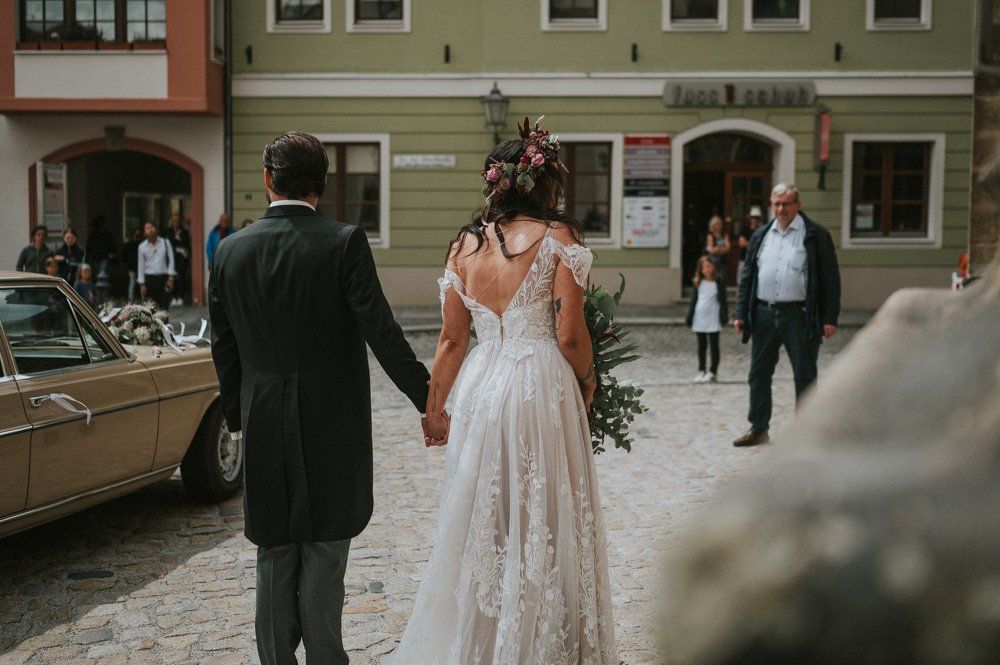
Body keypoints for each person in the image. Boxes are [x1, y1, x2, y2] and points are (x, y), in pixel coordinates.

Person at [387, 118, 619, 664]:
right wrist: (589, 382)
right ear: (544, 182)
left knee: (485, 517)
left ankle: (484, 641)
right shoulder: (559, 238)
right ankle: (541, 640)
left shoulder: (463, 246)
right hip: (538, 384)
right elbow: (570, 333)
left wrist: (434, 411)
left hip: (480, 387)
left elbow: (451, 339)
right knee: (544, 511)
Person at [209, 131, 441, 665]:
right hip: (331, 420)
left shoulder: (230, 250)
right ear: (322, 184)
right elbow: (381, 331)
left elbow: (224, 344)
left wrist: (237, 417)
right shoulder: (343, 242)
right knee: (325, 546)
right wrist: (426, 401)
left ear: (267, 180)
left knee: (273, 548)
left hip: (262, 415)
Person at [732, 183, 841, 447]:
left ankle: (806, 432)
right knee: (758, 374)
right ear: (771, 205)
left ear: (798, 205)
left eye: (787, 204)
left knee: (805, 374)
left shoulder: (815, 235)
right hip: (764, 313)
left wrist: (829, 318)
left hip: (800, 315)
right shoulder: (761, 235)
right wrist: (740, 312)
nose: (781, 209)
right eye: (777, 204)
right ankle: (758, 428)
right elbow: (748, 277)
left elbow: (830, 279)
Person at [686, 255, 728, 384]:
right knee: (701, 346)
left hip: (713, 316)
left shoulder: (718, 282)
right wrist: (690, 315)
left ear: (713, 267)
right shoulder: (698, 282)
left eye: (709, 267)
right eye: (703, 268)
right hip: (700, 316)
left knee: (714, 345)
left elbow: (723, 301)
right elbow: (694, 300)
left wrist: (724, 315)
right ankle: (701, 370)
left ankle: (713, 371)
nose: (706, 270)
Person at [137, 221, 176, 311]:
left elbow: (171, 261)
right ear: (144, 233)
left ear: (156, 229)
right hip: (149, 279)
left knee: (164, 307)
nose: (150, 230)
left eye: (152, 227)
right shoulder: (142, 247)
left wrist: (171, 278)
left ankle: (164, 320)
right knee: (150, 309)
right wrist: (142, 284)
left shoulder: (165, 243)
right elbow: (141, 266)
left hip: (163, 279)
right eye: (147, 228)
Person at [167, 214, 192, 306]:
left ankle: (180, 297)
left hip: (182, 259)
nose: (176, 222)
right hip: (172, 258)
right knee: (172, 277)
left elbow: (187, 245)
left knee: (181, 278)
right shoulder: (168, 231)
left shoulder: (184, 232)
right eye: (174, 220)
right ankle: (173, 297)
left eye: (177, 220)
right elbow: (168, 244)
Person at [737, 205, 764, 285]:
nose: (755, 220)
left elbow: (763, 244)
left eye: (756, 218)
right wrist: (755, 244)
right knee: (741, 282)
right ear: (750, 218)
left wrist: (748, 244)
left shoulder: (762, 230)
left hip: (757, 260)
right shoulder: (744, 228)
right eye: (753, 218)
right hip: (744, 259)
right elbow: (741, 243)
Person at [124, 226, 144, 301]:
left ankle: (136, 298)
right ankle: (132, 299)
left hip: (137, 267)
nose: (137, 237)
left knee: (136, 283)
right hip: (133, 267)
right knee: (134, 283)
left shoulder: (139, 244)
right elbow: (125, 255)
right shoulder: (135, 244)